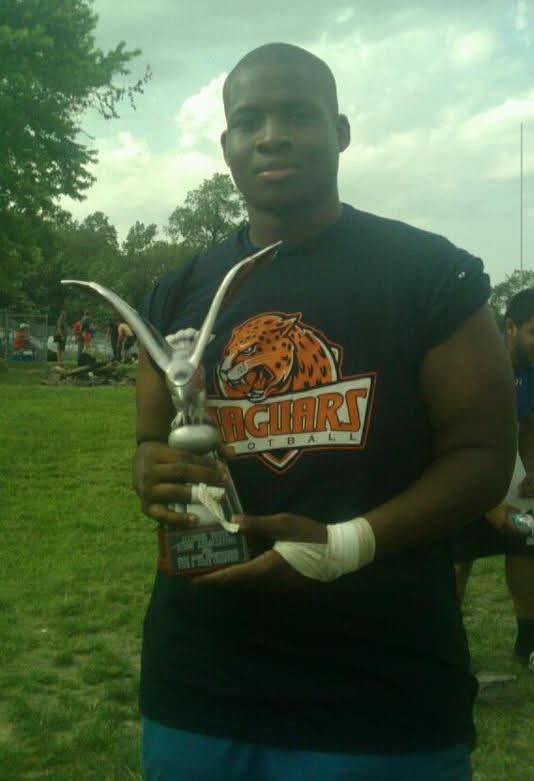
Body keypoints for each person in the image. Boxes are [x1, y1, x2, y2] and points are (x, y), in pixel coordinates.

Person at [132, 44, 517, 780]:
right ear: (228, 146)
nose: (272, 135)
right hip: (199, 683)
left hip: (379, 692)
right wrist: (149, 470)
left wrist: (343, 545)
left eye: (297, 115)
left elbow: (482, 456)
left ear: (340, 132)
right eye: (250, 121)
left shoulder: (430, 273)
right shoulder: (178, 290)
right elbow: (152, 441)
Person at [453, 289, 534, 669]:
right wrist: (487, 504)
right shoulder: (478, 367)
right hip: (458, 472)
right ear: (511, 327)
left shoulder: (531, 370)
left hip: (505, 468)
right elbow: (453, 442)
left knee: (526, 543)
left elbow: (528, 424)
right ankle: (448, 648)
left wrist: (532, 470)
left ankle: (527, 645)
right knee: (457, 558)